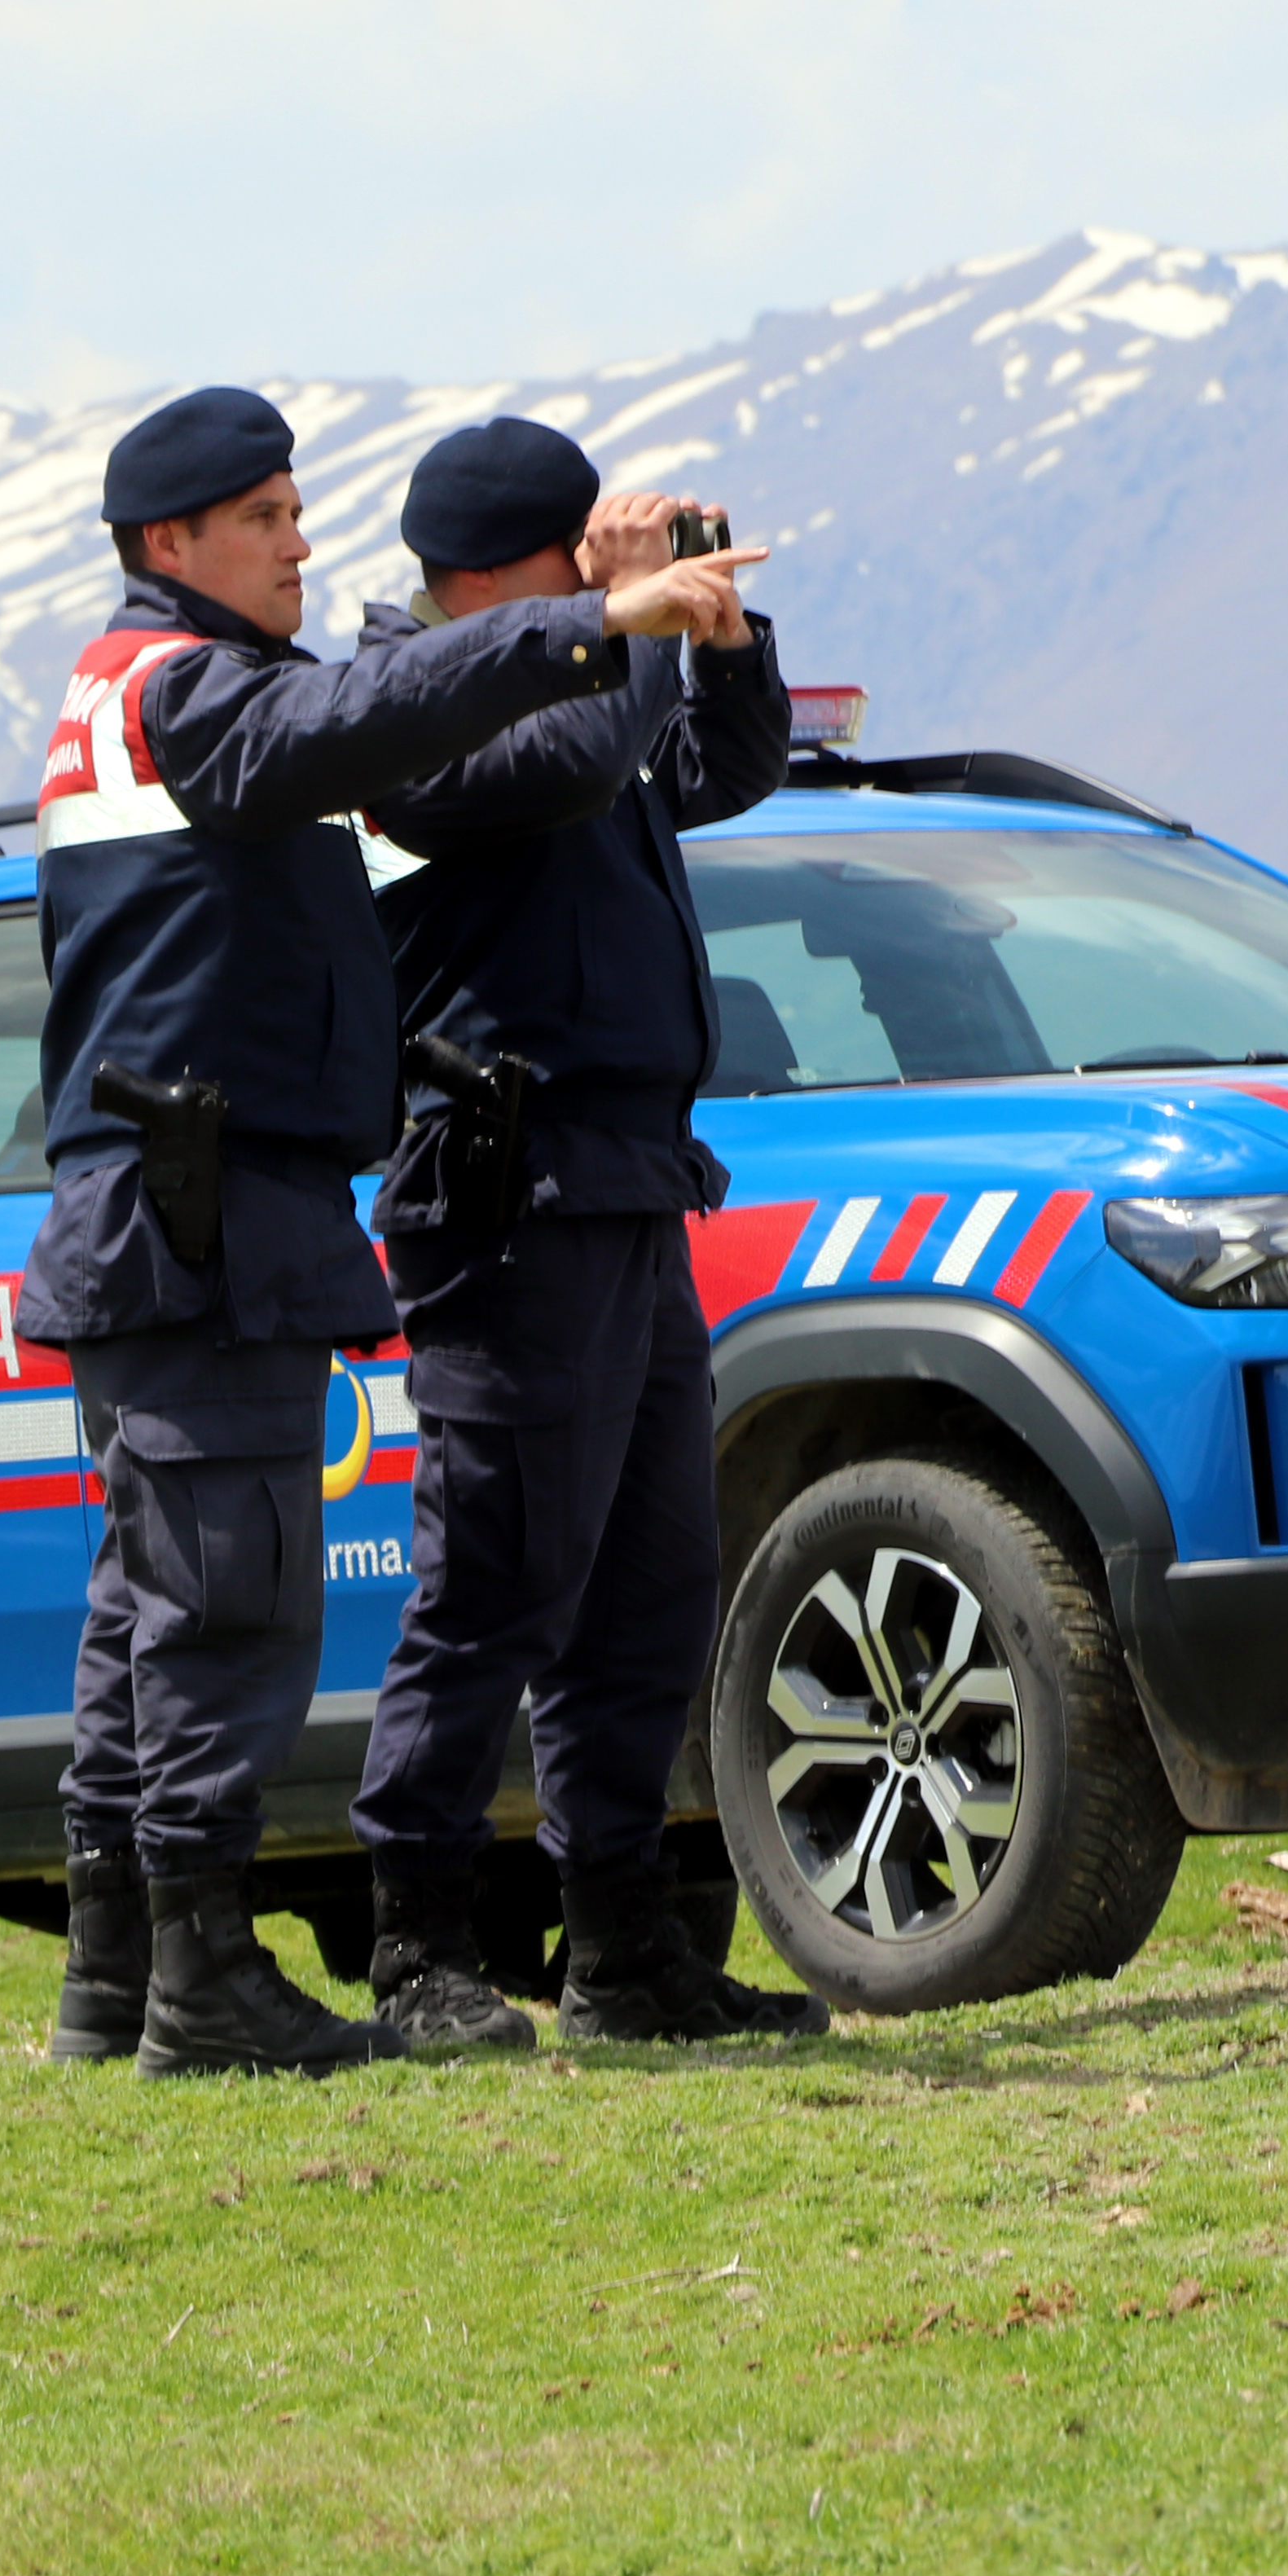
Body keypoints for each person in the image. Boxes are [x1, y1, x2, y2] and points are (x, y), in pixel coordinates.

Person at [27, 386, 758, 2078]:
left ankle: (120, 1975)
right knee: (232, 1593)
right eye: (266, 513)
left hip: (220, 1197)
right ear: (169, 542)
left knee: (164, 1596)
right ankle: (205, 1977)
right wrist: (608, 622)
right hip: (219, 1206)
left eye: (298, 505)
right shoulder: (196, 691)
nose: (302, 536)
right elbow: (434, 718)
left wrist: (676, 623)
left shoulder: (166, 692)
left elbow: (663, 758)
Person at [346, 415, 829, 2049]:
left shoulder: (572, 683)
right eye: (584, 560)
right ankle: (417, 1945)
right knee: (497, 1572)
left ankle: (624, 1950)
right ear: (496, 570)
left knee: (646, 1580)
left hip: (626, 1181)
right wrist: (620, 625)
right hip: (505, 1184)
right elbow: (559, 762)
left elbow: (718, 768)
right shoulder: (403, 705)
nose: (606, 587)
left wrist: (722, 636)